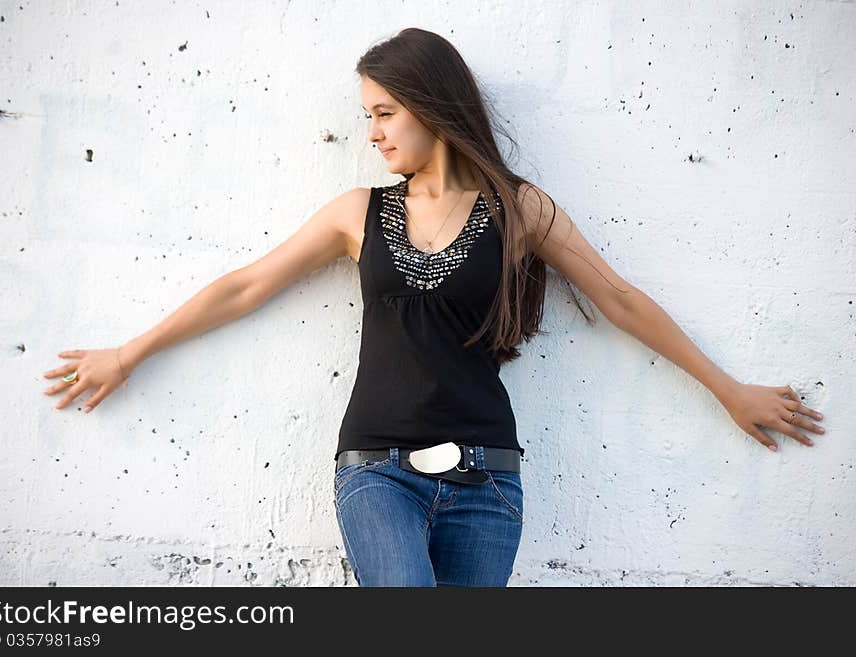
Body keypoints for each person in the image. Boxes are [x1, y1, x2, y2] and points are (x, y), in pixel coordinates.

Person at [40, 28, 826, 587]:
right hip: (377, 470)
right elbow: (246, 285)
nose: (373, 132)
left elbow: (619, 297)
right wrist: (128, 352)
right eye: (367, 115)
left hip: (488, 475)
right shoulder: (358, 213)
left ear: (428, 104)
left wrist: (729, 388)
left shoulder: (521, 211)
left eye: (384, 112)